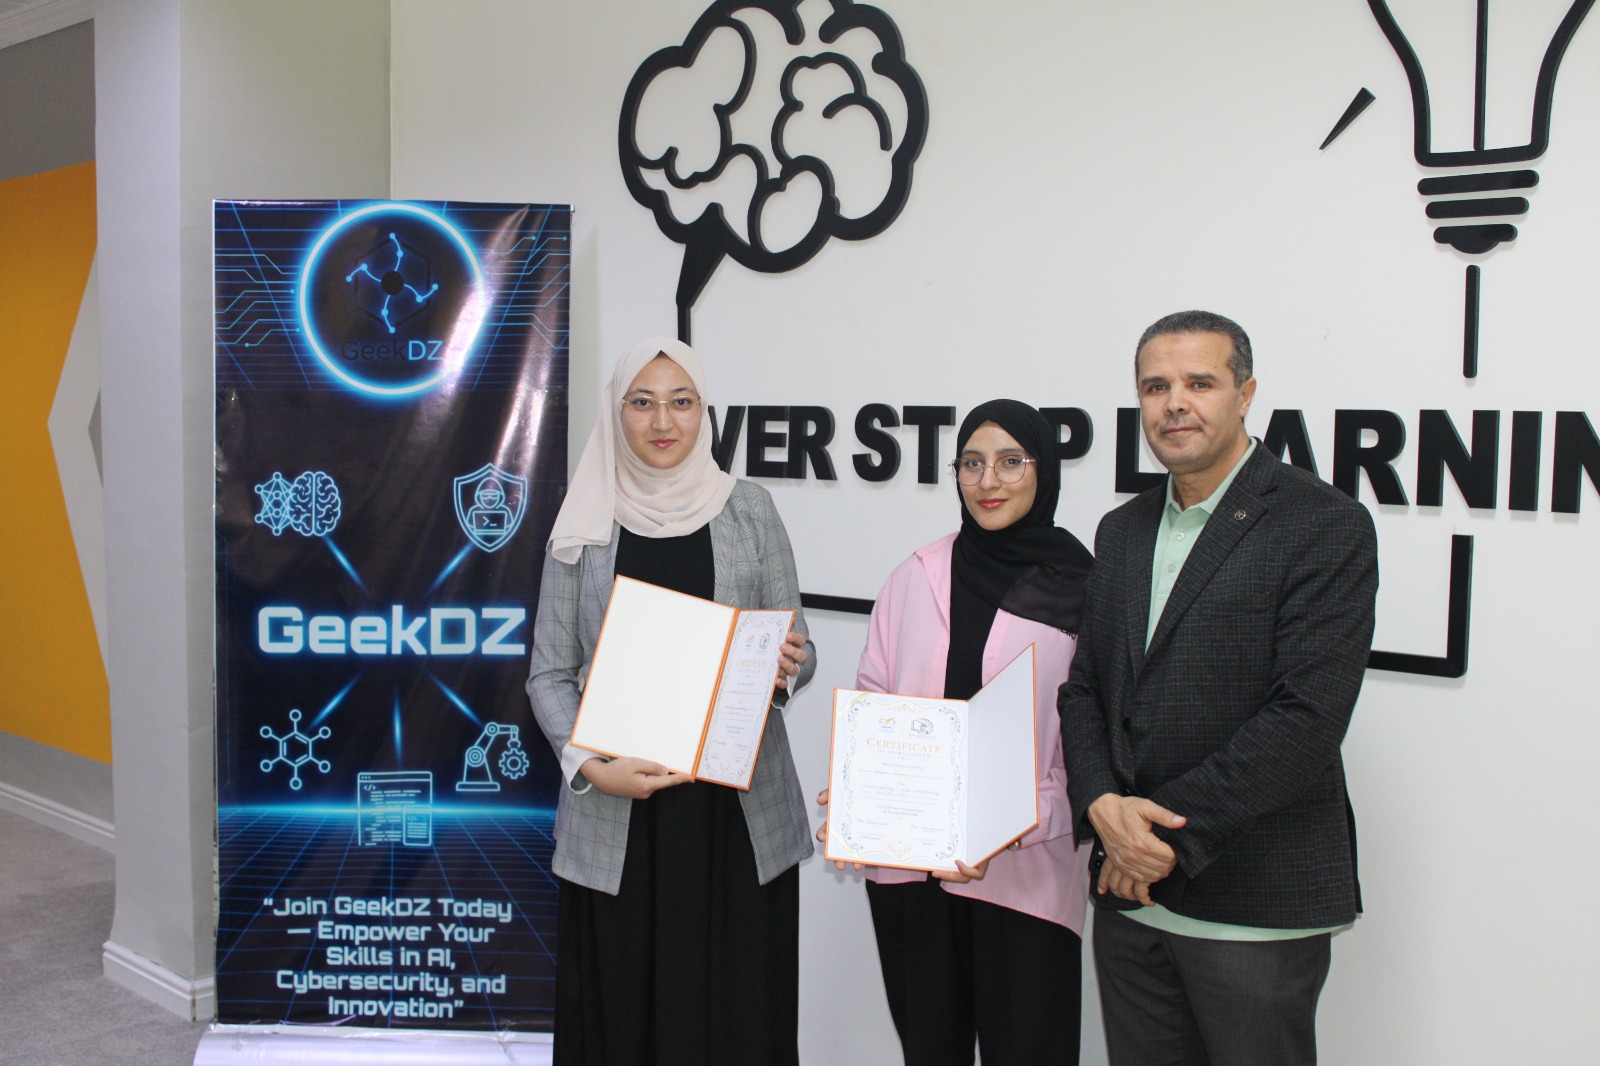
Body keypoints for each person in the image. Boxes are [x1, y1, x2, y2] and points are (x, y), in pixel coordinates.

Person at [1058, 310, 1379, 1066]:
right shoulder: (1122, 530)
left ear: (1246, 394)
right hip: (1132, 902)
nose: (1175, 403)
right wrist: (1100, 804)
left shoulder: (1323, 523)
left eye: (1199, 383)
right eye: (1155, 387)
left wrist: (1155, 840)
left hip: (1252, 904)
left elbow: (1304, 720)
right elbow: (1085, 690)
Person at [527, 337, 815, 1066]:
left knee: (738, 1016)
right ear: (617, 411)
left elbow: (798, 646)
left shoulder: (750, 509)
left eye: (681, 402)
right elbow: (548, 675)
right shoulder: (585, 519)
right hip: (619, 813)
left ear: (703, 411)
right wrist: (594, 767)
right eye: (643, 402)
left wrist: (787, 665)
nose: (663, 421)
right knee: (623, 1016)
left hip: (734, 814)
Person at [821, 400, 1095, 1066]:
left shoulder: (1083, 589)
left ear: (1043, 471)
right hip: (910, 879)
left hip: (1026, 876)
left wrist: (1005, 825)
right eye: (971, 463)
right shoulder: (915, 575)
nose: (988, 481)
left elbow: (1093, 748)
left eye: (1010, 462)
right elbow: (875, 699)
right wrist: (858, 797)